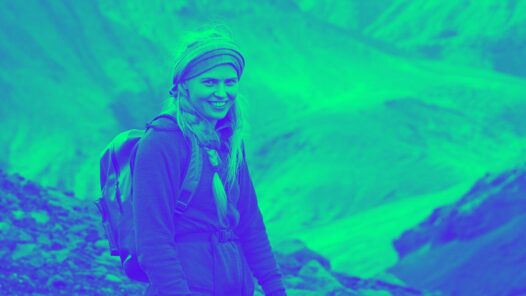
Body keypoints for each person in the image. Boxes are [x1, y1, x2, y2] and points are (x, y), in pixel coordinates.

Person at [131, 25, 287, 296]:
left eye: (230, 82)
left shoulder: (229, 143)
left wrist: (276, 289)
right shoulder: (161, 143)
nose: (222, 93)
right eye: (209, 82)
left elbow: (250, 224)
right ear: (184, 86)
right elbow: (154, 242)